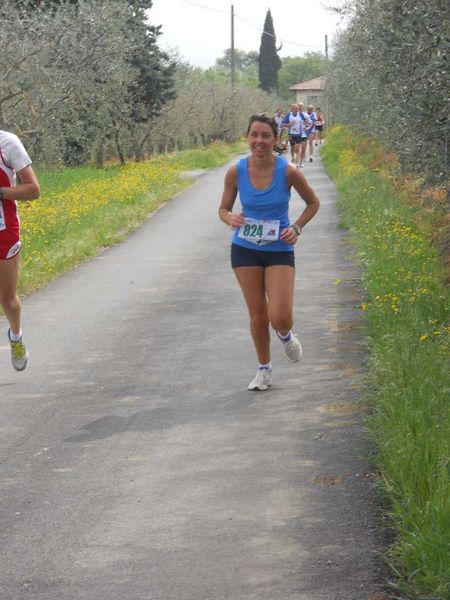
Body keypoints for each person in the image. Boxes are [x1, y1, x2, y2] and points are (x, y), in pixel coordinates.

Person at [218, 113, 320, 390]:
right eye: (254, 135)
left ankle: (285, 335)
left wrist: (296, 228)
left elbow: (313, 203)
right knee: (258, 315)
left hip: (279, 248)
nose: (259, 141)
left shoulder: (288, 172)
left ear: (276, 139)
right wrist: (231, 219)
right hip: (244, 249)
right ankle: (264, 369)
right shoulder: (235, 171)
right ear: (247, 138)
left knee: (280, 316)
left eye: (265, 136)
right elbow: (223, 209)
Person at [0, 130, 40, 371]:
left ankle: (16, 336)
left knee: (7, 299)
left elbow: (33, 190)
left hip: (4, 231)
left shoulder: (8, 143)